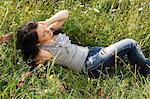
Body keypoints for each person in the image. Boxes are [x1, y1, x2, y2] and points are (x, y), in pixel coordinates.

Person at [16, 10, 150, 78]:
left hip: (91, 52)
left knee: (131, 55)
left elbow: (65, 13)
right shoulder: (43, 51)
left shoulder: (49, 30)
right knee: (130, 44)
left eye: (44, 27)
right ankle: (147, 71)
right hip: (90, 65)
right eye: (43, 33)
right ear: (37, 43)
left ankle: (143, 66)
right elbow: (32, 59)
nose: (47, 30)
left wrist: (45, 23)